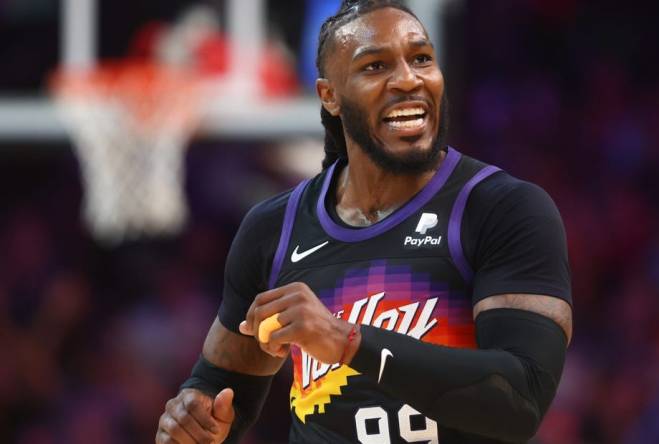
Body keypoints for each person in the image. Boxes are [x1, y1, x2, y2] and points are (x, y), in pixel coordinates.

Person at [156, 1, 572, 443]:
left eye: (421, 59)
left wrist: (347, 342)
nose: (409, 79)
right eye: (375, 66)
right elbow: (220, 389)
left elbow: (520, 400)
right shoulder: (274, 227)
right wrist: (194, 415)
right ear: (329, 96)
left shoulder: (501, 209)